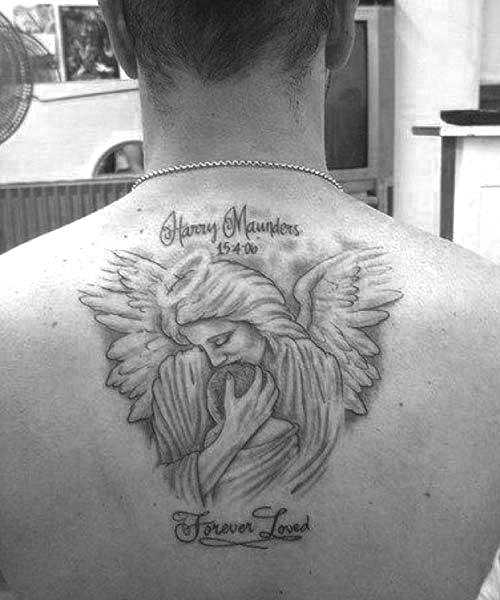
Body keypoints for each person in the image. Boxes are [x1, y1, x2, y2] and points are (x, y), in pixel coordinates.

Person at [0, 1, 498, 599]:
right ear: (341, 24)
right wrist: (230, 437)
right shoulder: (487, 315)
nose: (212, 359)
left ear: (119, 31)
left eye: (222, 338)